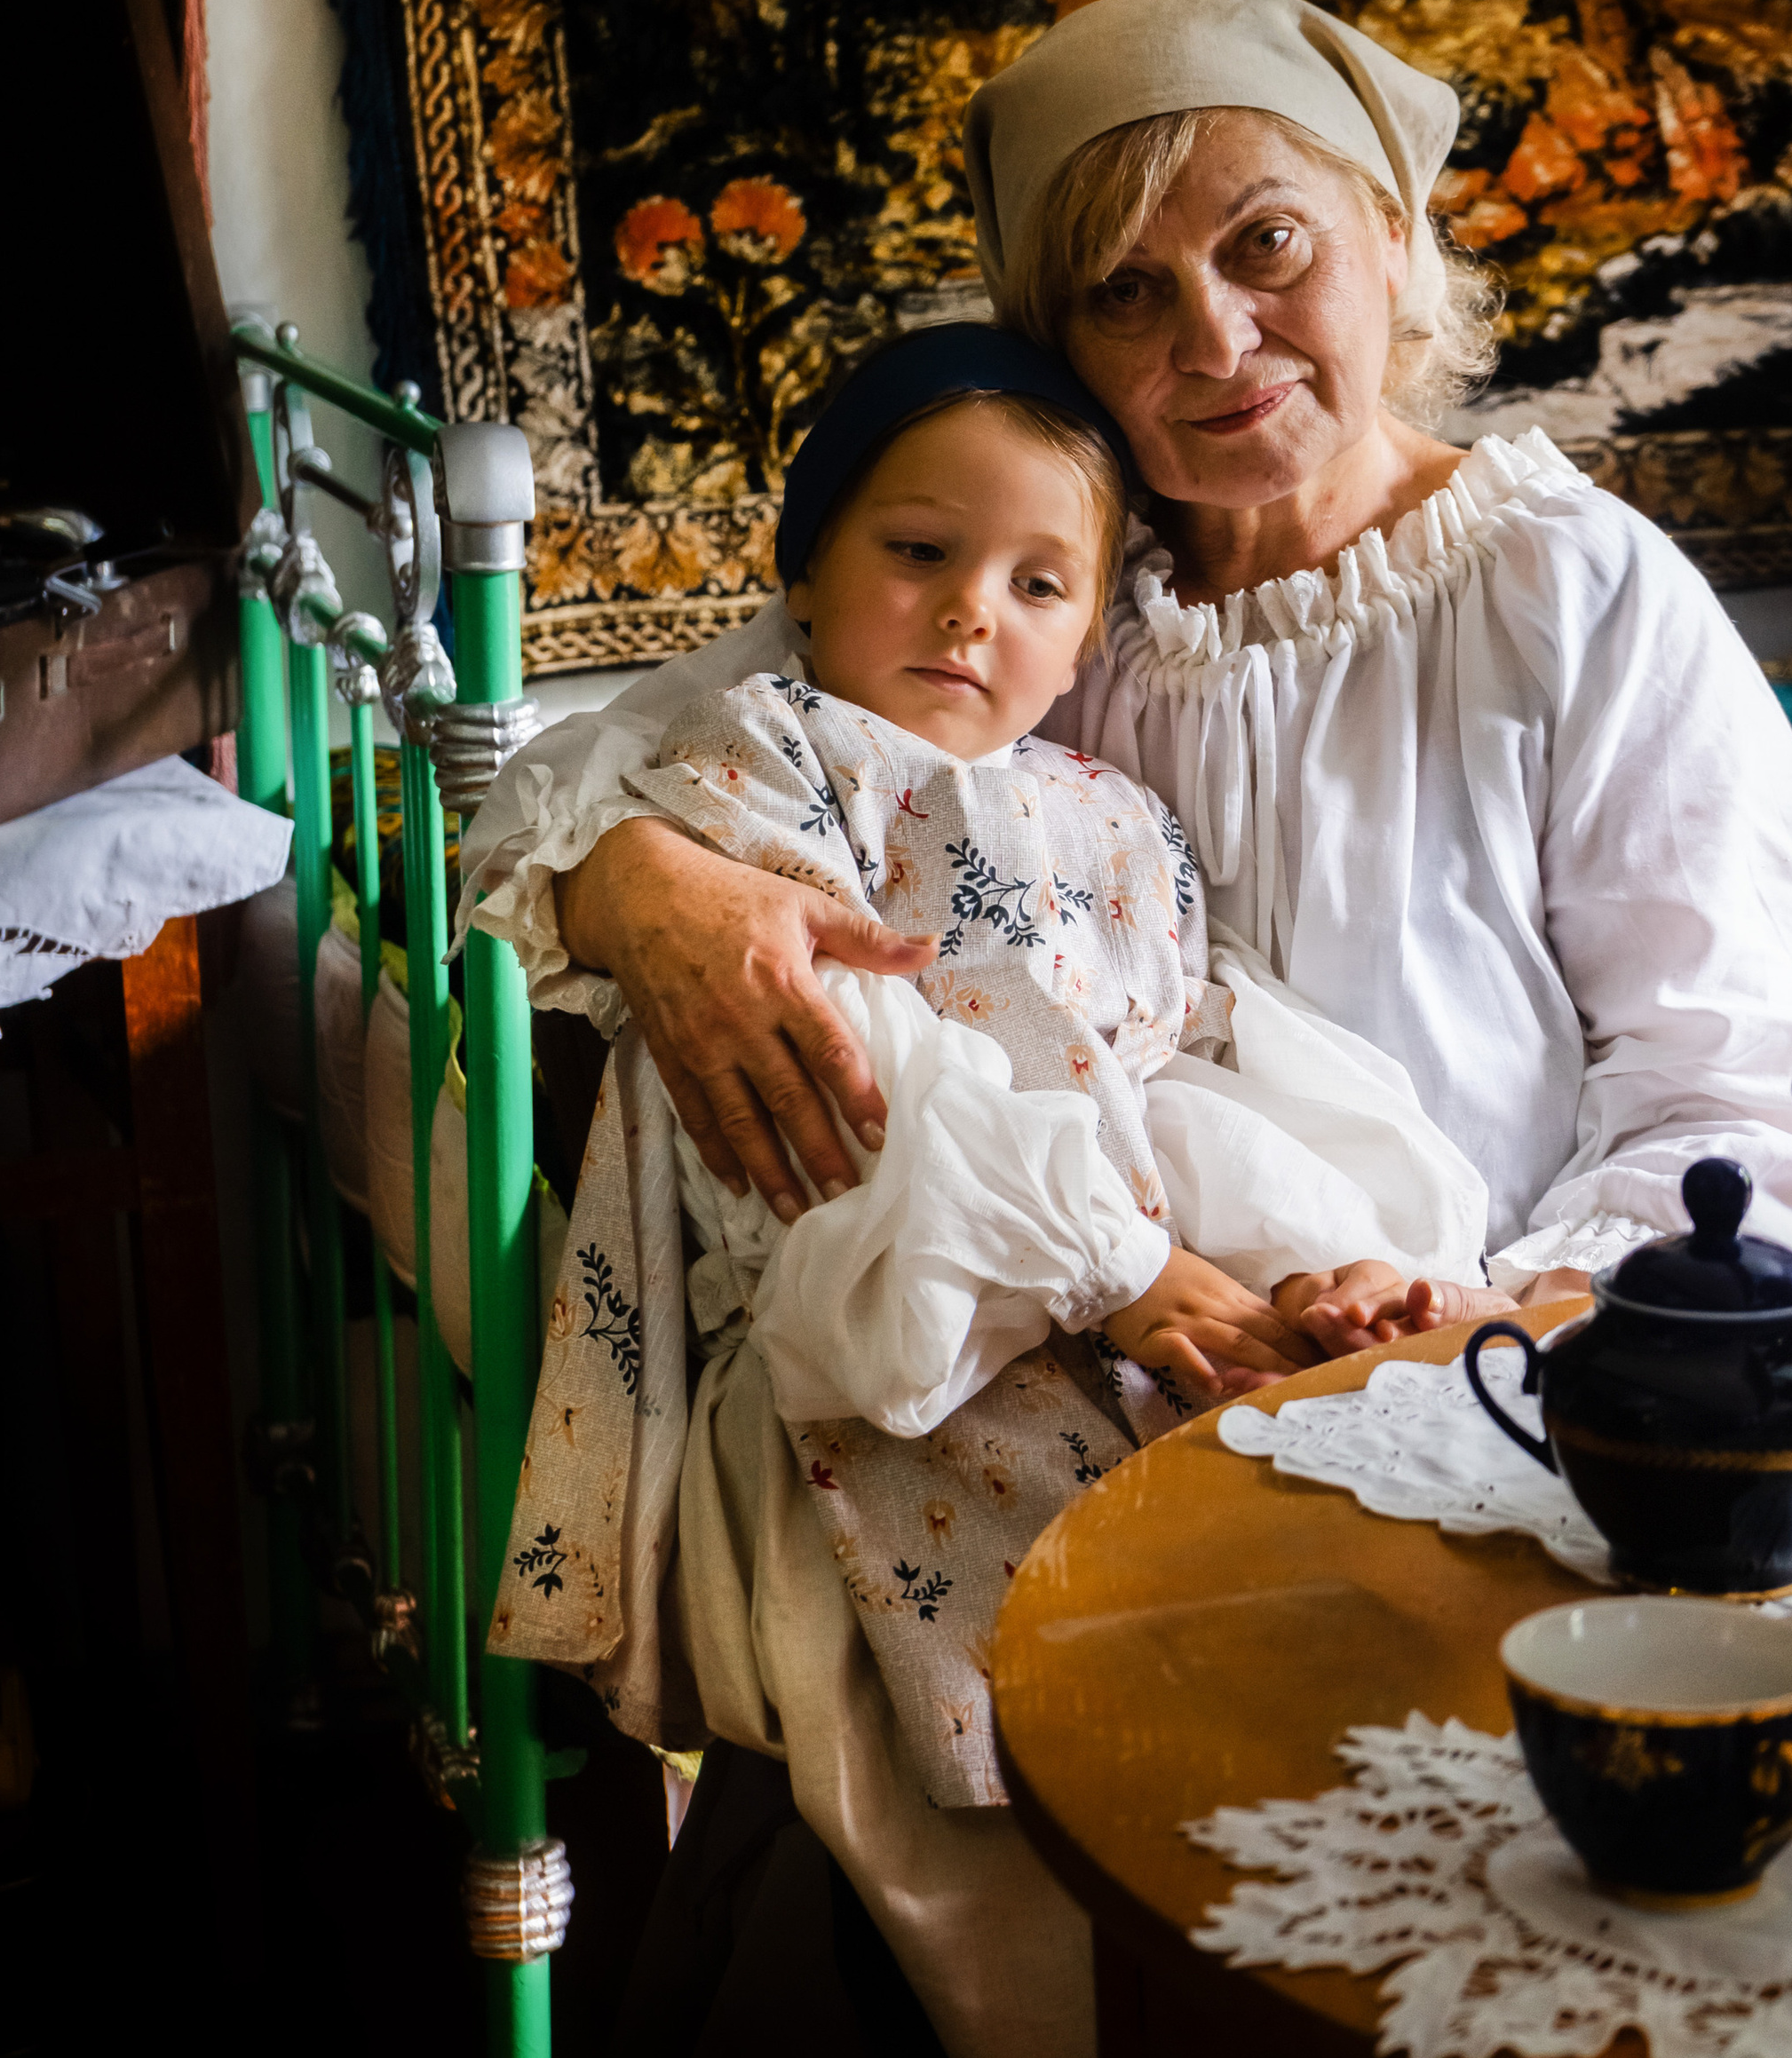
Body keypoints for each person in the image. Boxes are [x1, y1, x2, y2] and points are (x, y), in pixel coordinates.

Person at [469, 0, 1792, 2058]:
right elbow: (620, 765)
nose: (1214, 336)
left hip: (1475, 1364)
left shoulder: (1566, 593)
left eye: (1265, 247)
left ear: (1392, 244)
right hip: (1078, 1369)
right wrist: (643, 892)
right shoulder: (1048, 602)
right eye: (1127, 290)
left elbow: (1744, 1084)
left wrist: (1509, 1323)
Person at [479, 326, 1487, 1806]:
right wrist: (1114, 1263)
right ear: (805, 574)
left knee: (1365, 1518)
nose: (969, 614)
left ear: (1086, 640)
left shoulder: (1116, 815)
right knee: (1108, 1653)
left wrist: (1325, 1253)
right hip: (899, 1298)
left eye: (1036, 585)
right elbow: (847, 1064)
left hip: (1120, 1267)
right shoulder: (758, 753)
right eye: (918, 551)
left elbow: (1193, 1077)